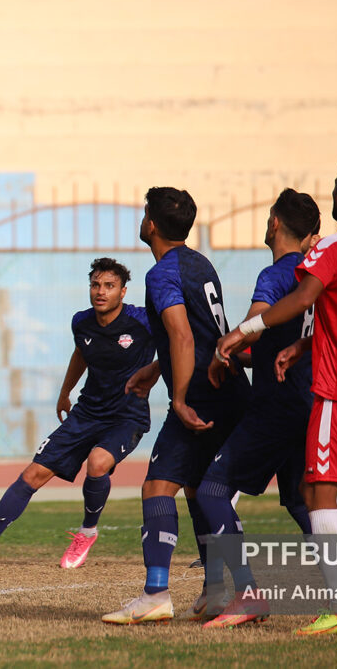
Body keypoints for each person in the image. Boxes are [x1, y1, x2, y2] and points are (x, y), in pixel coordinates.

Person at [217, 156, 337, 635]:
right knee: (314, 492)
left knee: (317, 495)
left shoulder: (335, 247)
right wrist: (304, 344)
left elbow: (300, 299)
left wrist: (244, 331)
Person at [102, 187, 250, 625]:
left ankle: (155, 594)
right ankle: (217, 590)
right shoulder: (197, 261)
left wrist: (180, 397)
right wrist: (155, 369)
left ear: (151, 223)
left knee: (158, 487)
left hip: (202, 396)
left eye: (144, 213)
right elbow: (202, 333)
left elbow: (184, 335)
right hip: (228, 389)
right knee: (199, 491)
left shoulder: (162, 273)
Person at [0, 258, 155, 570]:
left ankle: (86, 533)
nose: (101, 291)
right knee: (32, 474)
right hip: (86, 413)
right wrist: (64, 392)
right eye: (96, 285)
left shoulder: (143, 321)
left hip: (127, 417)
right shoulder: (81, 322)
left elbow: (177, 342)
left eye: (109, 286)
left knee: (98, 463)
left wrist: (158, 374)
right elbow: (80, 355)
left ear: (123, 292)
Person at [194, 188, 321, 628]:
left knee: (211, 490)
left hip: (275, 405)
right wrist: (249, 354)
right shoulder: (315, 276)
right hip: (308, 401)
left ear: (273, 225)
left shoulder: (276, 275)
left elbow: (256, 324)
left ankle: (247, 594)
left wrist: (228, 345)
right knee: (304, 501)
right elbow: (280, 344)